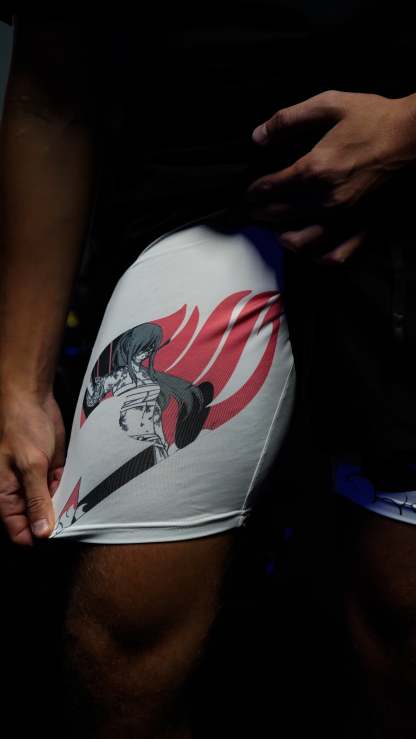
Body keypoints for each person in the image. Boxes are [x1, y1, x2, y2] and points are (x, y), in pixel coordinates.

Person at [1, 5, 416, 737]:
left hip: (406, 208)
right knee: (120, 643)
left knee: (401, 620)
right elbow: (49, 94)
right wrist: (17, 387)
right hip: (201, 204)